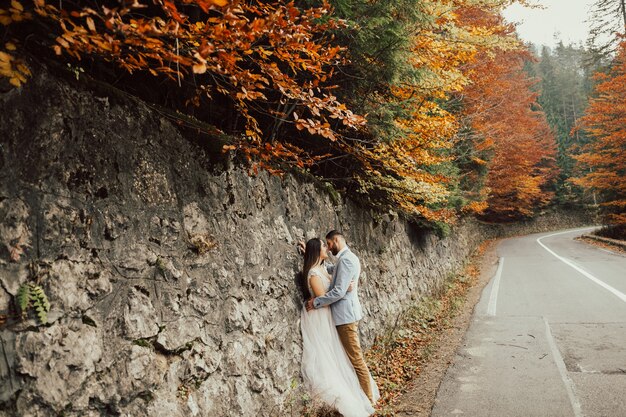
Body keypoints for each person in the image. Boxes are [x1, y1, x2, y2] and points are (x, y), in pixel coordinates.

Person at [298, 237, 378, 417]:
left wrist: (343, 288)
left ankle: (367, 397)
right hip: (321, 316)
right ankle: (356, 396)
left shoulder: (329, 266)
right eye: (323, 246)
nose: (326, 248)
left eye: (327, 244)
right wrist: (341, 291)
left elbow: (328, 273)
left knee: (342, 355)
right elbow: (325, 293)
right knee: (328, 355)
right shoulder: (314, 272)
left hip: (332, 316)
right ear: (316, 251)